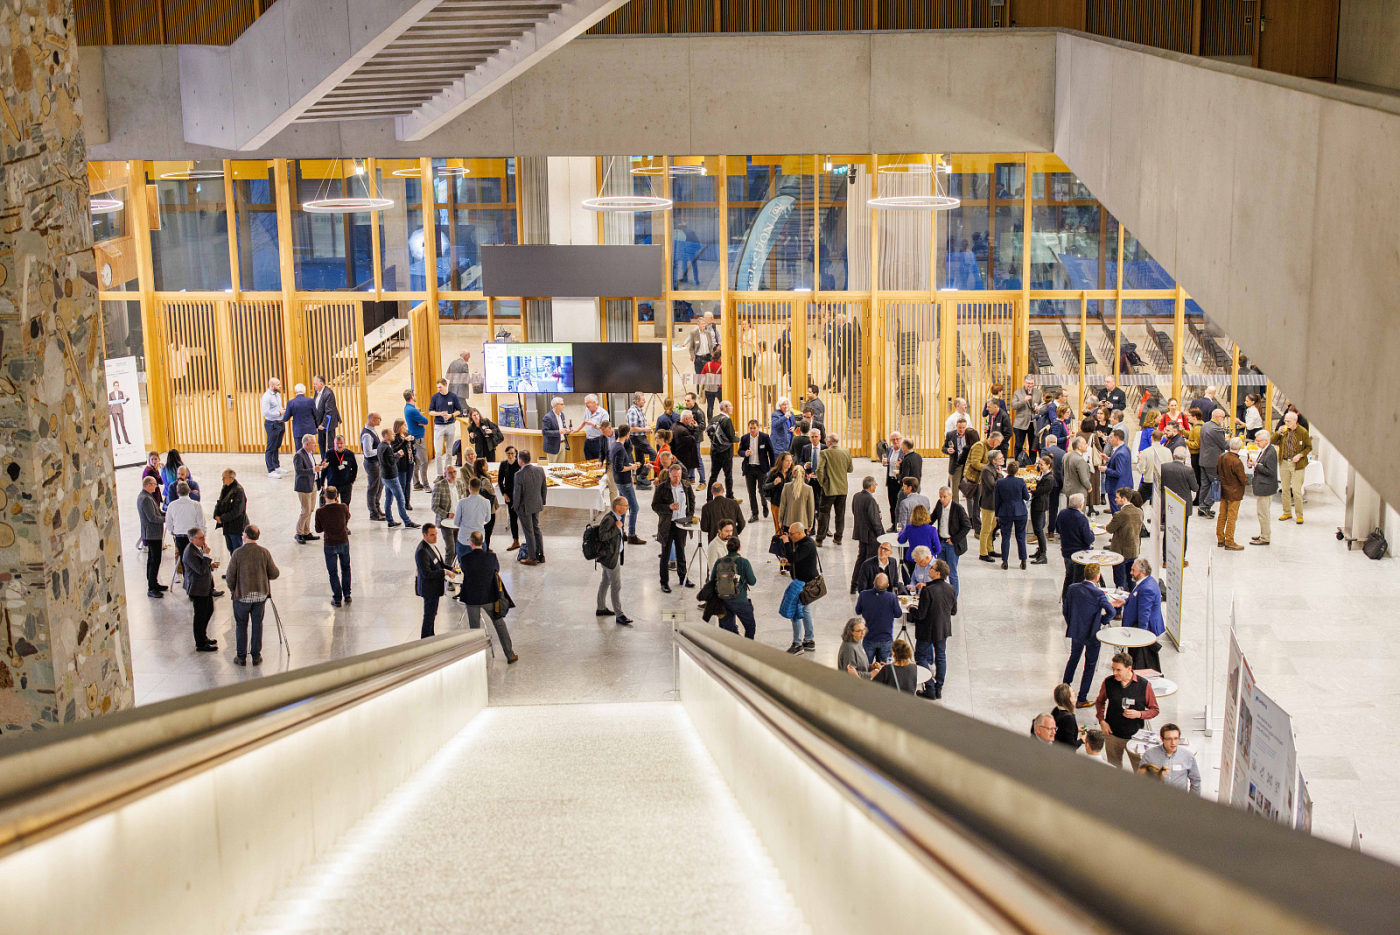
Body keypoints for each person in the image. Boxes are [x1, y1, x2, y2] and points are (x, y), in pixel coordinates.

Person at [1063, 563, 1122, 706]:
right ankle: (1082, 698)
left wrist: (1071, 623)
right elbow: (1111, 612)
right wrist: (1101, 621)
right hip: (1092, 633)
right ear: (1097, 576)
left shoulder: (1072, 588)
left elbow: (1065, 609)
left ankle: (1064, 690)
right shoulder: (1098, 594)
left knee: (1073, 659)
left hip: (1076, 631)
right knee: (1090, 664)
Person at [456, 531, 519, 661]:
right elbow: (496, 570)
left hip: (472, 598)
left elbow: (464, 571)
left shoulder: (465, 558)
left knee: (475, 630)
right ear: (482, 542)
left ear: (471, 543)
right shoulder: (492, 557)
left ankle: (477, 659)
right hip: (489, 597)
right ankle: (509, 654)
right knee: (499, 623)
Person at [224, 524, 279, 666]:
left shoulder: (237, 553)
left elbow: (230, 577)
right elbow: (274, 573)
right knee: (257, 624)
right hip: (260, 596)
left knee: (241, 625)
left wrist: (234, 590)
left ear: (246, 536)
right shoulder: (264, 552)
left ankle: (241, 657)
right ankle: (256, 656)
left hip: (242, 596)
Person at [1094, 653, 1160, 770]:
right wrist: (1102, 721)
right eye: (1113, 669)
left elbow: (1154, 710)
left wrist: (1139, 714)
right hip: (1112, 735)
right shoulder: (1108, 682)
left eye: (1118, 670)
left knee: (1139, 770)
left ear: (1129, 668)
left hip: (1136, 737)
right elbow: (1100, 702)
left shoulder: (1144, 685)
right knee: (1114, 770)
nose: (1114, 673)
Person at [910, 559, 956, 699]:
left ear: (937, 573)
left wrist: (911, 609)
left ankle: (929, 686)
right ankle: (939, 688)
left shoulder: (928, 591)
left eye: (932, 568)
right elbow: (953, 611)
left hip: (927, 630)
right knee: (941, 656)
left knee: (920, 656)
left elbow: (921, 614)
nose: (929, 569)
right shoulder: (951, 588)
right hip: (943, 628)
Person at [653, 464, 696, 592]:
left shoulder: (686, 486)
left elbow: (692, 501)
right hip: (668, 525)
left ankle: (683, 578)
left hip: (681, 523)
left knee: (681, 552)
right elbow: (655, 506)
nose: (677, 479)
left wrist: (689, 516)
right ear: (670, 475)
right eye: (674, 476)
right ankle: (664, 582)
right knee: (665, 554)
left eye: (679, 476)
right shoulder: (662, 488)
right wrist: (669, 508)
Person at [593, 497, 633, 626]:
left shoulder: (616, 518)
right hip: (610, 558)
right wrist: (616, 528)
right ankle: (619, 615)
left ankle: (601, 607)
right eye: (625, 505)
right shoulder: (610, 519)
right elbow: (602, 536)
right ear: (617, 507)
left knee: (605, 581)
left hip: (611, 556)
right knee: (616, 585)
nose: (627, 507)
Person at [780, 522, 819, 654]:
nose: (790, 536)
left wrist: (786, 543)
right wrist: (790, 563)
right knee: (805, 611)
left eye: (791, 534)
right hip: (802, 581)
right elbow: (798, 560)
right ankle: (809, 640)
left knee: (796, 612)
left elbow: (793, 556)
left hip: (804, 584)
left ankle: (797, 644)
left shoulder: (807, 544)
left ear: (799, 533)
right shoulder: (801, 542)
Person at [1121, 557, 1164, 669]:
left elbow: (1144, 614)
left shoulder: (1147, 588)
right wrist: (1124, 601)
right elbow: (1137, 600)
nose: (1131, 573)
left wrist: (1141, 636)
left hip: (1143, 630)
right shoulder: (1145, 582)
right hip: (1139, 629)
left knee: (1142, 663)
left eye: (1133, 570)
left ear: (1142, 572)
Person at [608, 425, 648, 545]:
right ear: (627, 434)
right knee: (634, 507)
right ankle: (631, 534)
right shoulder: (620, 448)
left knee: (623, 508)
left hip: (618, 481)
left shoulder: (614, 445)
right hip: (624, 482)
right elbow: (619, 467)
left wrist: (629, 463)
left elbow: (618, 463)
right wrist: (632, 467)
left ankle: (621, 532)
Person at [182, 527, 219, 653]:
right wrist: (207, 555)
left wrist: (210, 565)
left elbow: (202, 566)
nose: (204, 540)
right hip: (197, 588)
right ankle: (200, 643)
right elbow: (201, 570)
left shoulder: (197, 548)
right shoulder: (189, 553)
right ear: (192, 539)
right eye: (200, 538)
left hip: (204, 586)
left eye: (204, 537)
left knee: (209, 610)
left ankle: (203, 636)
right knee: (200, 615)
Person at [314, 486, 353, 606]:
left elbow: (318, 530)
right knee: (346, 568)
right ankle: (347, 594)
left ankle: (337, 598)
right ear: (337, 496)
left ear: (325, 496)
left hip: (330, 543)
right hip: (343, 541)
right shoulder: (343, 507)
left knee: (333, 572)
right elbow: (347, 517)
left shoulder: (320, 511)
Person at [711, 538, 757, 639]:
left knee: (727, 630)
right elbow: (752, 582)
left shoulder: (719, 562)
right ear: (739, 548)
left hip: (723, 601)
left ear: (727, 548)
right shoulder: (744, 562)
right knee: (750, 627)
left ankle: (729, 650)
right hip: (740, 600)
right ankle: (746, 648)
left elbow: (712, 580)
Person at [1271, 411, 1312, 525]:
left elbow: (1309, 447)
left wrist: (1300, 455)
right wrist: (1278, 433)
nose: (1286, 423)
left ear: (1295, 421)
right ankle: (1287, 512)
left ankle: (1299, 515)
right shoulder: (1283, 431)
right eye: (1285, 421)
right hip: (1284, 462)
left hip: (1297, 465)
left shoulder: (1303, 432)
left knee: (1297, 491)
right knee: (1285, 490)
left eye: (1288, 421)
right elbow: (1272, 441)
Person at [415, 523, 455, 638]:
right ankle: (425, 640)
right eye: (432, 535)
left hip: (434, 588)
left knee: (432, 615)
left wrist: (450, 568)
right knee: (429, 616)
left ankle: (431, 637)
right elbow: (426, 573)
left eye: (436, 534)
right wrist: (445, 572)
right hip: (429, 589)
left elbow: (439, 563)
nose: (435, 537)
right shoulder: (422, 551)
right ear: (424, 535)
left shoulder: (431, 545)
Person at [810, 432, 850, 545]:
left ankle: (819, 539)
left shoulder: (824, 453)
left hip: (829, 489)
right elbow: (850, 469)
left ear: (829, 442)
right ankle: (838, 537)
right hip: (842, 488)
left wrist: (822, 482)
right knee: (840, 514)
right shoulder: (846, 452)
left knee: (824, 513)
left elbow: (819, 470)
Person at [1140, 723, 1202, 794]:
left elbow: (1196, 781)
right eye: (1169, 739)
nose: (1173, 743)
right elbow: (1141, 778)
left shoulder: (1188, 756)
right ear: (1162, 739)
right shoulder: (1149, 755)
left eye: (1176, 739)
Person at [855, 572, 902, 665]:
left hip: (869, 637)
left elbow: (858, 611)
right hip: (886, 639)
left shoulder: (864, 595)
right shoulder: (892, 597)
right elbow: (898, 614)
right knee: (885, 668)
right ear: (888, 585)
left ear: (873, 582)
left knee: (865, 665)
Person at [165, 482, 206, 585]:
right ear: (189, 491)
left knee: (185, 561)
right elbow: (202, 523)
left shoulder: (172, 505)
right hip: (194, 537)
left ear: (177, 492)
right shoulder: (196, 505)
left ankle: (188, 585)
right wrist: (203, 537)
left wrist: (173, 532)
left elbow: (169, 523)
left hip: (180, 537)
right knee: (198, 560)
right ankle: (200, 584)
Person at [512, 450, 548, 565]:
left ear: (520, 460)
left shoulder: (519, 475)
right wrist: (542, 501)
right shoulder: (539, 470)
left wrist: (515, 507)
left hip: (525, 507)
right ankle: (541, 555)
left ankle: (532, 557)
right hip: (536, 504)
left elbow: (517, 494)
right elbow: (544, 488)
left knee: (529, 531)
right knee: (536, 528)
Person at [1057, 493, 1095, 600]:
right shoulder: (1081, 518)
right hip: (1080, 553)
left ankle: (1065, 600)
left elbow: (1058, 529)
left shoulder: (1062, 513)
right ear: (1081, 505)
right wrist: (1091, 533)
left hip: (1066, 550)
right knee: (1078, 579)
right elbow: (1088, 538)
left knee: (1068, 576)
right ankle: (1074, 602)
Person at [993, 460, 1029, 570]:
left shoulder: (1000, 483)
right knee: (1021, 537)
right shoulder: (1021, 481)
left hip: (1005, 512)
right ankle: (1023, 561)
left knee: (1006, 537)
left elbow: (997, 500)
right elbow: (1026, 497)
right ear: (1017, 471)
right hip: (1020, 512)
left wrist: (997, 514)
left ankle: (1005, 561)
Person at [1104, 487, 1143, 589]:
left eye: (1117, 497)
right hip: (1134, 550)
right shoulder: (1139, 512)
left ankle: (1120, 602)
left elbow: (1110, 529)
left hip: (1120, 552)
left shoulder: (1120, 514)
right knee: (1132, 580)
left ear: (1124, 498)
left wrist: (1106, 527)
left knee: (1120, 581)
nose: (1115, 499)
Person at [850, 477, 883, 593]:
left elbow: (854, 511)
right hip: (871, 535)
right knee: (870, 561)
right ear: (871, 486)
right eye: (875, 484)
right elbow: (875, 520)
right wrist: (881, 535)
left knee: (861, 558)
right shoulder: (870, 500)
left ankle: (854, 584)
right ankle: (865, 587)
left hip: (861, 533)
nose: (876, 486)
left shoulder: (857, 496)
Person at [378, 427, 415, 529]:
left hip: (385, 476)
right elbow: (391, 462)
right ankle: (407, 521)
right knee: (401, 499)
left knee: (388, 499)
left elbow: (387, 459)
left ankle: (390, 520)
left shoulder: (381, 446)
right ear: (386, 436)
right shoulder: (387, 447)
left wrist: (394, 455)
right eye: (391, 434)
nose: (394, 435)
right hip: (391, 477)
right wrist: (398, 455)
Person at [1216, 437, 1249, 550]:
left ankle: (1220, 538)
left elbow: (1217, 471)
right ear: (1240, 448)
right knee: (1232, 517)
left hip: (1223, 490)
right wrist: (1247, 477)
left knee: (1222, 515)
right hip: (1234, 493)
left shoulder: (1222, 456)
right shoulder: (1237, 461)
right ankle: (1229, 540)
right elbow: (1243, 480)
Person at [738, 420, 774, 521]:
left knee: (762, 490)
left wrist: (773, 466)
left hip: (761, 468)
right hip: (749, 468)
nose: (752, 430)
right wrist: (745, 453)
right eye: (751, 428)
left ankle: (764, 505)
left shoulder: (764, 437)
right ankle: (755, 513)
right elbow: (739, 451)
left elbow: (771, 452)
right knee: (751, 492)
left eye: (754, 428)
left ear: (758, 428)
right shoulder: (745, 438)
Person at [428, 378, 464, 476]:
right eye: (437, 387)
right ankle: (439, 474)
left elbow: (459, 410)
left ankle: (448, 472)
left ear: (445, 385)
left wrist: (451, 415)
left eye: (440, 387)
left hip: (450, 425)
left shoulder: (453, 396)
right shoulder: (435, 397)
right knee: (438, 452)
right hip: (439, 426)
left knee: (449, 452)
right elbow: (430, 411)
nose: (439, 389)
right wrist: (440, 413)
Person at [138, 477, 167, 597]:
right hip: (152, 533)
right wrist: (167, 519)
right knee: (155, 561)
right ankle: (152, 588)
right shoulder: (145, 499)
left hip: (152, 533)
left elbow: (157, 512)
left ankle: (154, 583)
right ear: (148, 485)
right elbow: (152, 518)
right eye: (155, 485)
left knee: (153, 560)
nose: (156, 487)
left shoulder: (147, 496)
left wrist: (167, 514)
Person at [1196, 409, 1228, 518]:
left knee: (1205, 485)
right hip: (1213, 462)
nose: (1223, 420)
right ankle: (1205, 506)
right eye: (1223, 417)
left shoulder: (1205, 426)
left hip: (1203, 460)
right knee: (1217, 484)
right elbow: (1224, 445)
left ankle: (1202, 506)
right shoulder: (1216, 429)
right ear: (1217, 417)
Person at [1250, 429, 1279, 545]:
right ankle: (1263, 534)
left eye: (1258, 441)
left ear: (1266, 440)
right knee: (1262, 512)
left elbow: (1270, 471)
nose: (1256, 443)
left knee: (1263, 513)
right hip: (1264, 485)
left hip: (1265, 487)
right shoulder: (1265, 450)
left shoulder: (1270, 453)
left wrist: (1256, 465)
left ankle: (1265, 537)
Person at [977, 450, 1004, 562]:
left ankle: (990, 548)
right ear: (994, 460)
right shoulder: (987, 470)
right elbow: (994, 486)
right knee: (986, 528)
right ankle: (983, 553)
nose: (1003, 459)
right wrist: (1000, 474)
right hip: (988, 503)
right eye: (1000, 458)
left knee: (992, 527)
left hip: (994, 503)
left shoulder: (994, 468)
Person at [212, 469, 247, 556]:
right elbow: (220, 502)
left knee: (237, 551)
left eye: (224, 478)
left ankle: (238, 568)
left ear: (232, 479)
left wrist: (222, 518)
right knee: (230, 548)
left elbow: (237, 511)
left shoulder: (238, 491)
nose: (222, 480)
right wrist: (216, 515)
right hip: (227, 526)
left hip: (236, 526)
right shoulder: (225, 488)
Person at [292, 434, 320, 544]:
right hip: (303, 486)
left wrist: (319, 466)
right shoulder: (299, 455)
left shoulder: (310, 453)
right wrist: (314, 469)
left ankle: (307, 532)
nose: (315, 445)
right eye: (313, 443)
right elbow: (299, 471)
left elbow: (312, 467)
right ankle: (299, 533)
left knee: (311, 510)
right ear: (307, 444)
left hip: (312, 484)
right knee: (305, 511)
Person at [318, 434, 359, 508]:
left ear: (344, 443)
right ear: (334, 444)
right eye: (337, 443)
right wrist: (322, 484)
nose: (339, 445)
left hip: (346, 484)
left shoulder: (350, 454)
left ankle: (345, 519)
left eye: (341, 443)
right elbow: (324, 469)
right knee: (332, 506)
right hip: (333, 484)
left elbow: (355, 468)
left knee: (345, 505)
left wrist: (352, 481)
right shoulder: (329, 453)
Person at [942, 418, 979, 498]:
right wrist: (948, 450)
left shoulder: (970, 435)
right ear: (956, 426)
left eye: (963, 428)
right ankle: (956, 508)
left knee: (969, 491)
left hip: (968, 465)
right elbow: (943, 448)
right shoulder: (950, 435)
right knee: (954, 491)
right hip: (956, 465)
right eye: (960, 428)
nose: (961, 430)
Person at [360, 413, 385, 522]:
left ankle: (377, 508)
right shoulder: (367, 434)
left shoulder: (372, 430)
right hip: (372, 464)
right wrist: (380, 449)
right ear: (371, 419)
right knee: (373, 488)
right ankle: (373, 512)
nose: (381, 420)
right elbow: (368, 452)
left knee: (379, 486)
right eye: (378, 418)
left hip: (377, 463)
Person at [709, 399, 736, 499]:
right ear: (725, 408)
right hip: (726, 453)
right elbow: (731, 437)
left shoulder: (713, 419)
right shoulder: (727, 420)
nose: (732, 408)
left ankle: (709, 498)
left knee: (713, 476)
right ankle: (730, 496)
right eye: (730, 406)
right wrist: (739, 438)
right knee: (728, 476)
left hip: (715, 452)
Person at [261, 377, 287, 477]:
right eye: (278, 385)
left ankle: (277, 466)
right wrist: (279, 413)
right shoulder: (267, 397)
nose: (280, 386)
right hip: (272, 424)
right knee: (270, 447)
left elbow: (278, 407)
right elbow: (266, 412)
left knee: (277, 446)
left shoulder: (277, 395)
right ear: (272, 386)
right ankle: (271, 470)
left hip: (280, 422)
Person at [764, 452, 795, 535]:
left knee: (790, 527)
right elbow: (765, 486)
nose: (789, 463)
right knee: (779, 528)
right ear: (782, 461)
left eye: (791, 461)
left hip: (790, 504)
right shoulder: (774, 472)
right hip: (777, 503)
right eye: (787, 461)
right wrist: (773, 483)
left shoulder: (793, 473)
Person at [1102, 429, 1132, 515]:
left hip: (1117, 487)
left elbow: (1119, 472)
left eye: (1111, 437)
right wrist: (1108, 459)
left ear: (1117, 438)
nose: (1109, 439)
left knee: (1117, 514)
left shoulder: (1120, 453)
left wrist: (1105, 470)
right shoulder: (1125, 448)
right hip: (1124, 484)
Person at [281, 385, 316, 457]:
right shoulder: (311, 401)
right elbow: (315, 414)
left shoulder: (291, 403)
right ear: (304, 391)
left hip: (298, 429)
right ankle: (311, 465)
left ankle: (300, 466)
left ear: (295, 391)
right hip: (309, 429)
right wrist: (317, 425)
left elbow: (285, 418)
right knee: (310, 449)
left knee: (299, 450)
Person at [498, 447, 521, 551]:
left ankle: (530, 541)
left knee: (525, 519)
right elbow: (500, 481)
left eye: (512, 453)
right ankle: (515, 541)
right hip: (509, 496)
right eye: (508, 453)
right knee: (513, 519)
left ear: (516, 454)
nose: (511, 455)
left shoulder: (519, 464)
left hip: (520, 496)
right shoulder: (503, 464)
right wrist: (504, 494)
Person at [670, 411, 703, 485]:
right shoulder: (683, 431)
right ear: (686, 419)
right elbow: (693, 440)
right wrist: (696, 428)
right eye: (691, 418)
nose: (693, 420)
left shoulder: (675, 425)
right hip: (684, 458)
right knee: (683, 478)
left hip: (677, 455)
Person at [881, 430, 905, 523]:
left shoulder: (904, 450)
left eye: (897, 439)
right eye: (893, 440)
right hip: (891, 480)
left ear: (901, 439)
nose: (895, 441)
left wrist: (901, 465)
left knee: (901, 504)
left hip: (899, 480)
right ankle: (893, 523)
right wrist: (884, 463)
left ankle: (900, 524)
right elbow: (887, 460)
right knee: (892, 503)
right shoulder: (889, 449)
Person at [1010, 376, 1037, 457]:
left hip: (1033, 423)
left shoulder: (1038, 392)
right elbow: (1013, 406)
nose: (1030, 385)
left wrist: (1038, 408)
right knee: (1018, 445)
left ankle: (1032, 464)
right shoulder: (1017, 392)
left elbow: (1041, 405)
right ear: (1024, 382)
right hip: (1021, 423)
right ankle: (1018, 463)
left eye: (1032, 383)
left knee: (1033, 446)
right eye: (1028, 383)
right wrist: (1023, 401)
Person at [1052, 684, 1083, 749]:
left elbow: (1062, 732)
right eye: (1072, 691)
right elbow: (1072, 746)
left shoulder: (1056, 710)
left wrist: (1075, 729)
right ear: (1067, 697)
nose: (1074, 693)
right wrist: (1082, 740)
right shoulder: (1068, 719)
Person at [581, 394, 610, 462]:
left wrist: (593, 424)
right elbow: (584, 422)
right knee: (589, 463)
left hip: (599, 441)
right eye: (585, 403)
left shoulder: (603, 413)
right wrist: (576, 430)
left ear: (594, 402)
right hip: (588, 441)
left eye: (588, 403)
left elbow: (605, 429)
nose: (586, 405)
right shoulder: (587, 410)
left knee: (600, 463)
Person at [542, 396, 571, 463]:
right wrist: (559, 432)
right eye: (561, 404)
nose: (564, 406)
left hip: (562, 444)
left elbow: (562, 427)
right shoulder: (548, 417)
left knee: (560, 467)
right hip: (552, 445)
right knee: (552, 467)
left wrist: (566, 430)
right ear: (555, 406)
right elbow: (545, 432)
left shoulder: (562, 415)